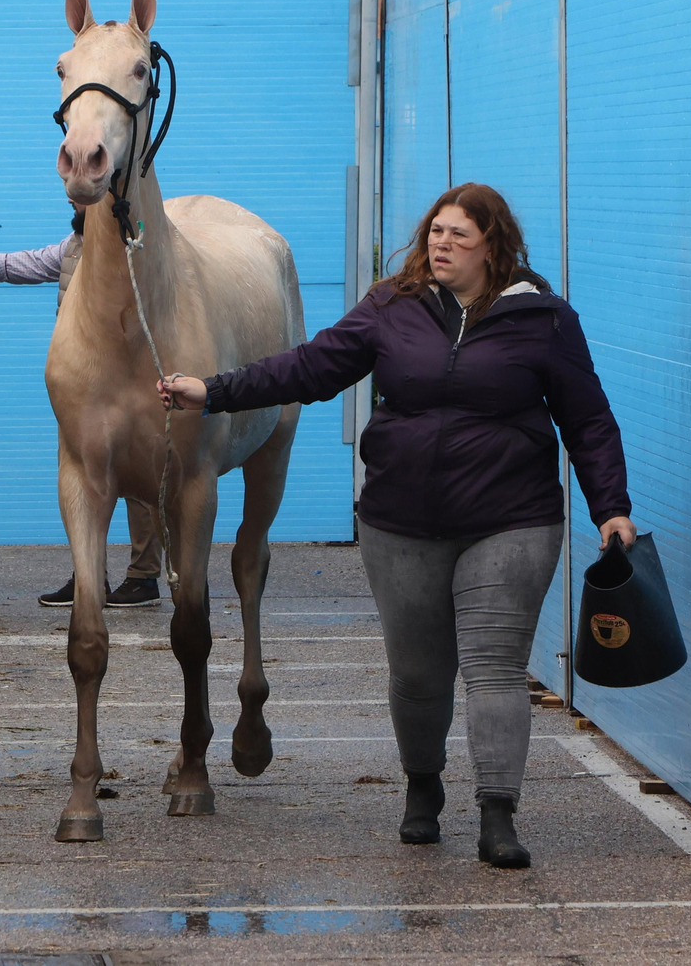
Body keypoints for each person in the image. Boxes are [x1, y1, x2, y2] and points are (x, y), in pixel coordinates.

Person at [159, 183, 635, 867]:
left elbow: (588, 420)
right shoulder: (393, 305)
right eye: (435, 231)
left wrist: (610, 507)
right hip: (401, 522)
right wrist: (212, 390)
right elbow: (310, 367)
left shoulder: (545, 320)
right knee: (417, 677)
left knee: (494, 671)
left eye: (458, 236)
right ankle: (422, 788)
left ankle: (498, 815)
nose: (440, 244)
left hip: (510, 522)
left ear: (492, 247)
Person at [0, 209, 162, 609]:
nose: (74, 204)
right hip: (85, 383)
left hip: (128, 382)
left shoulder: (131, 248)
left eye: (83, 202)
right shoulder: (75, 247)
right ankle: (89, 576)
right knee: (82, 477)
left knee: (137, 475)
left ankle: (144, 577)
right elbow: (30, 263)